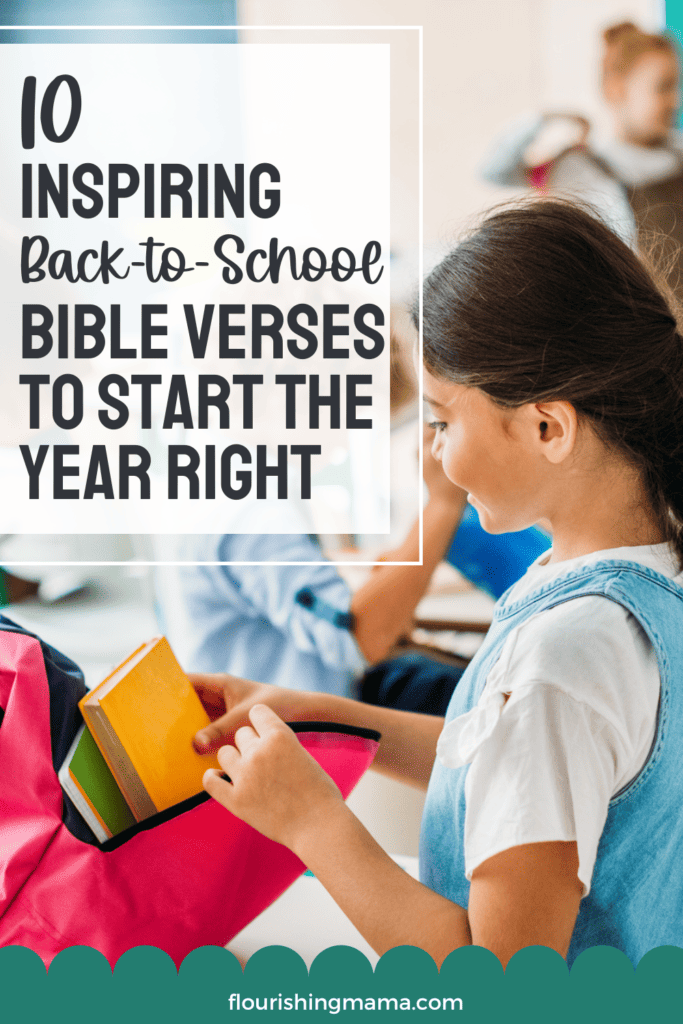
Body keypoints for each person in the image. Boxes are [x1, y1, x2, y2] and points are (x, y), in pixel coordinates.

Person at [186, 199, 683, 967]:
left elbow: (507, 989)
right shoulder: (642, 579)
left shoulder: (562, 658)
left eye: (444, 419)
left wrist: (313, 824)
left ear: (547, 427)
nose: (436, 452)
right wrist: (324, 715)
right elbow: (511, 758)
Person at [480, 21, 683, 289]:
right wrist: (549, 116)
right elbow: (495, 172)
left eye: (676, 86)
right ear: (616, 91)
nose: (675, 101)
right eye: (663, 87)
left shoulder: (677, 153)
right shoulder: (579, 168)